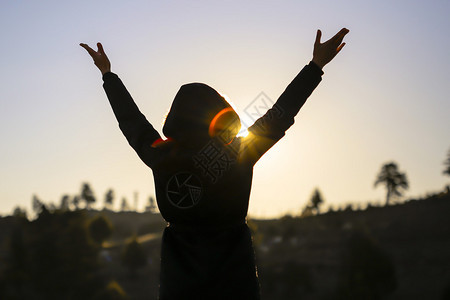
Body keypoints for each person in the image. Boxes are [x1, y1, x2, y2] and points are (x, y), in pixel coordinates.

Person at [80, 28, 349, 299]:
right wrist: (315, 67)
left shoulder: (161, 155)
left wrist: (108, 75)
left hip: (179, 289)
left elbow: (132, 122)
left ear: (175, 116)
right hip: (235, 286)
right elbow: (280, 114)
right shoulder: (237, 152)